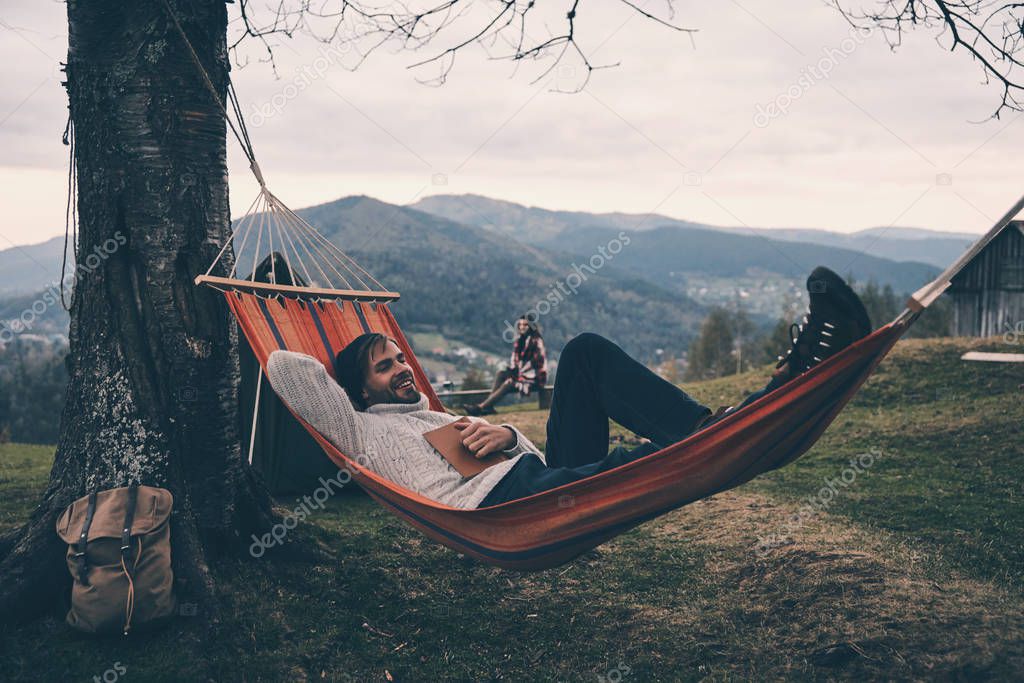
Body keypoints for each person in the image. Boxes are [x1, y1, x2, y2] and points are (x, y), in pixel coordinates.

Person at [266, 266, 871, 509]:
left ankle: (717, 427)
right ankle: (735, 421)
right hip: (504, 510)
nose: (402, 368)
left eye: (400, 357)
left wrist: (506, 432)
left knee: (582, 352)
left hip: (538, 478)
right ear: (359, 391)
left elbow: (526, 457)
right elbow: (287, 368)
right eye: (383, 367)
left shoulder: (432, 415)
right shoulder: (362, 429)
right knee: (646, 463)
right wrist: (269, 302)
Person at [467, 316, 548, 416]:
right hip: (521, 375)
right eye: (520, 324)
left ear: (531, 326)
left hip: (534, 378)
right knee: (501, 374)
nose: (522, 327)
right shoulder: (519, 341)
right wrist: (513, 373)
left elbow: (536, 362)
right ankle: (488, 407)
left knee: (508, 384)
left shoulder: (536, 341)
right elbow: (515, 361)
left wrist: (517, 377)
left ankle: (480, 408)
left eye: (525, 324)